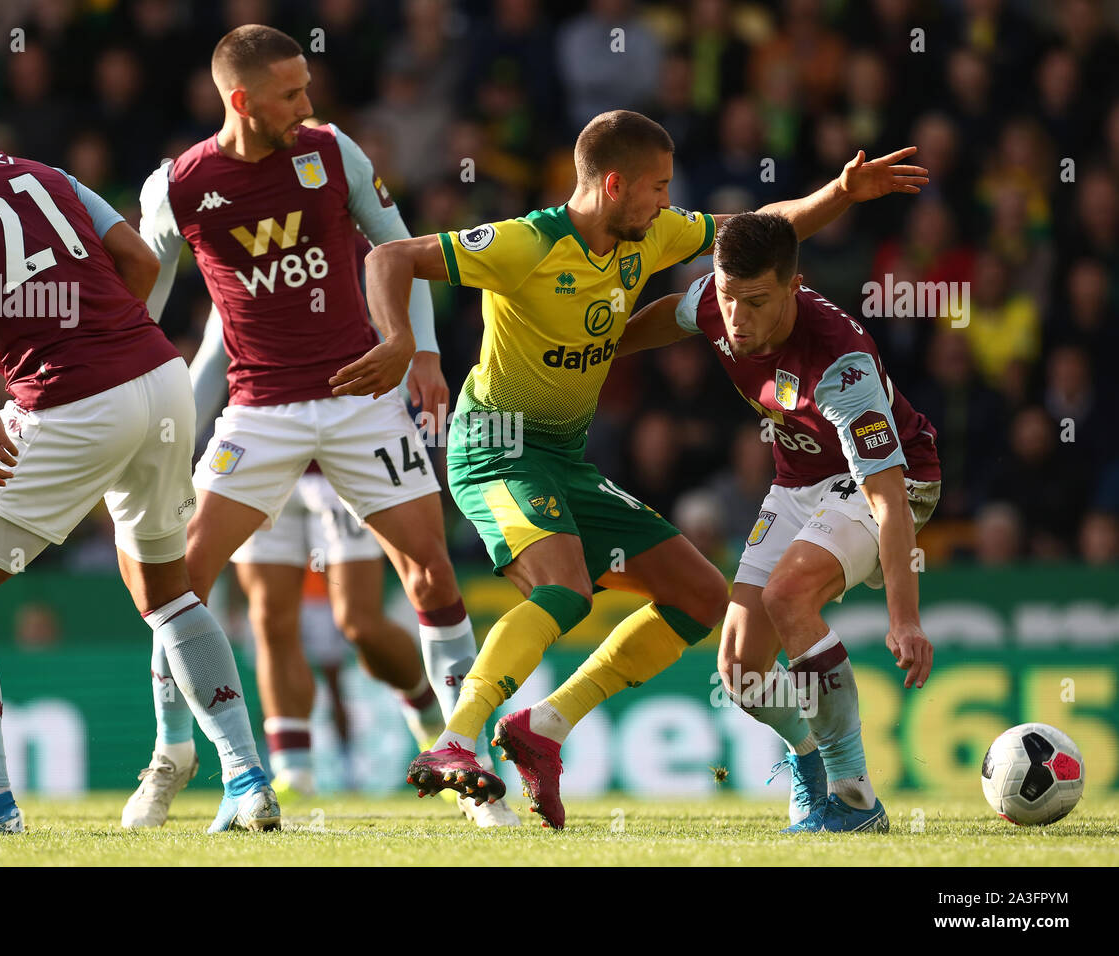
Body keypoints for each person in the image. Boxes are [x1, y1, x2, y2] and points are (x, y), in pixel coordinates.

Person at [361, 109, 927, 828]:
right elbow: (390, 258)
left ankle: (546, 725)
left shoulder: (651, 232)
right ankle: (454, 740)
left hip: (564, 458)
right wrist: (409, 345)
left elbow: (756, 228)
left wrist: (840, 194)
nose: (669, 201)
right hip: (496, 444)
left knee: (698, 595)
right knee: (565, 590)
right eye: (658, 187)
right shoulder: (525, 243)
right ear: (615, 184)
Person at [0, 72, 278, 835]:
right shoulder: (37, 170)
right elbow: (142, 261)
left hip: (68, 397)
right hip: (160, 376)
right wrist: (115, 346)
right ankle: (248, 781)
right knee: (167, 591)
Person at [135, 25, 511, 821]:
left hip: (360, 402)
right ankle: (171, 754)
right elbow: (144, 302)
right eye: (290, 93)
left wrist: (425, 354)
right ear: (241, 101)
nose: (308, 105)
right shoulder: (177, 186)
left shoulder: (334, 152)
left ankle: (464, 764)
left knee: (431, 574)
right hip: (258, 411)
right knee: (179, 582)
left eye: (308, 87)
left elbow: (402, 250)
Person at [621, 212, 942, 832]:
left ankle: (855, 800)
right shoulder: (718, 301)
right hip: (798, 480)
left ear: (794, 287)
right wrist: (600, 351)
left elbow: (890, 499)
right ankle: (809, 761)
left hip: (893, 481)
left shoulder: (841, 366)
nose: (737, 317)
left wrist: (905, 619)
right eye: (727, 295)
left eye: (757, 301)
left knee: (788, 595)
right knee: (740, 670)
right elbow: (673, 313)